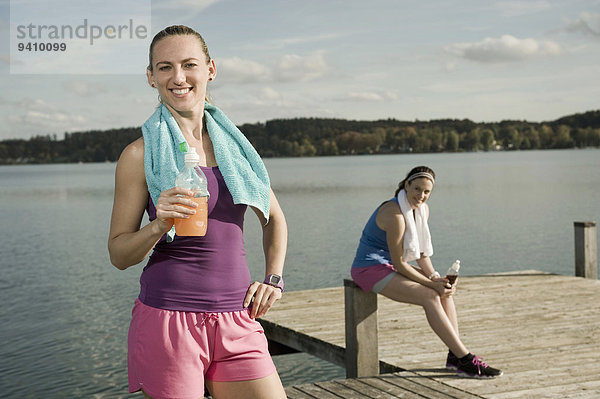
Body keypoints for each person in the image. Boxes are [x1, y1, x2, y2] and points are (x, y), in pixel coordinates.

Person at [108, 25, 288, 399]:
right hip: (168, 320)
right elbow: (119, 254)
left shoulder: (235, 150)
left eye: (189, 64)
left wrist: (273, 278)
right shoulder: (139, 155)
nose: (178, 77)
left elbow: (274, 219)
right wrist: (159, 224)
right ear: (150, 77)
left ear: (210, 69)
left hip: (238, 317)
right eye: (164, 67)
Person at [350, 166, 502, 379]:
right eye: (417, 189)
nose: (421, 195)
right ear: (406, 185)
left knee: (444, 291)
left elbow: (421, 254)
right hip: (368, 268)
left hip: (390, 265)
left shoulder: (421, 210)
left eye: (427, 191)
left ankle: (454, 357)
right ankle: (466, 359)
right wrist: (431, 285)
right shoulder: (395, 215)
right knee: (430, 295)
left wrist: (435, 278)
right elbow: (400, 262)